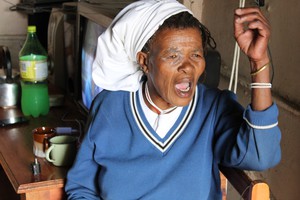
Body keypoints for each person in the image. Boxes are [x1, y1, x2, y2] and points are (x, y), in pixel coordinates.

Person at [65, 0, 281, 199]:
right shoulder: (110, 107)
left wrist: (258, 62)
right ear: (145, 61)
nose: (187, 66)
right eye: (173, 55)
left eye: (196, 54)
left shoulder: (212, 109)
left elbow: (262, 156)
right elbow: (81, 188)